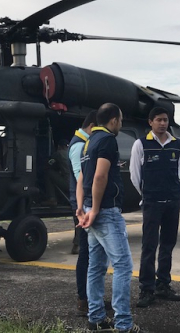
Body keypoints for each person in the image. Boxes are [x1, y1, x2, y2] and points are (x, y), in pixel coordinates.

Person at [77, 103, 140, 333]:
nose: (121, 125)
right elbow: (100, 176)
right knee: (123, 265)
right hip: (106, 212)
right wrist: (93, 210)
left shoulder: (88, 142)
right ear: (113, 120)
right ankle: (123, 324)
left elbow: (81, 178)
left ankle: (96, 318)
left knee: (96, 266)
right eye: (121, 121)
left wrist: (82, 208)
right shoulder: (107, 141)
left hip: (92, 210)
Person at [129, 107, 180, 308]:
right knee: (149, 246)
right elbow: (135, 176)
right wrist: (147, 194)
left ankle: (163, 285)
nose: (162, 123)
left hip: (172, 202)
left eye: (165, 120)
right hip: (152, 203)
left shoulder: (177, 145)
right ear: (150, 122)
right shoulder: (140, 144)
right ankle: (146, 288)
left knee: (168, 244)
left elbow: (177, 172)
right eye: (159, 120)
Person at [68, 110, 98, 314]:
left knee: (92, 253)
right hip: (83, 206)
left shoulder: (82, 143)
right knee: (86, 253)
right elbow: (82, 179)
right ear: (93, 126)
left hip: (86, 204)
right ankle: (83, 300)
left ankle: (90, 297)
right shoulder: (79, 146)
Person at [43, 139, 70, 206]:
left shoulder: (59, 153)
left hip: (68, 183)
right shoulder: (74, 153)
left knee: (48, 173)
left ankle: (52, 199)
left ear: (59, 146)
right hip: (79, 184)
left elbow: (48, 165)